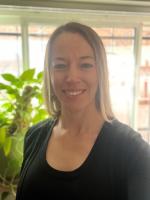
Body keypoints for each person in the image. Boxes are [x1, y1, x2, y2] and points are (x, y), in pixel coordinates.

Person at [16, 22, 150, 200]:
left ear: (100, 72)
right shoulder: (34, 136)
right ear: (50, 73)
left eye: (85, 65)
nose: (72, 77)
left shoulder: (132, 151)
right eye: (60, 65)